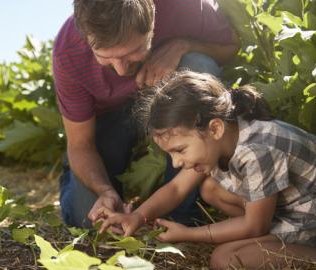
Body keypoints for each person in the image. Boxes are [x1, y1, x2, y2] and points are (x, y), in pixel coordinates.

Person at [98, 71, 316, 268]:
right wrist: (138, 216)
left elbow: (255, 227)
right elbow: (176, 189)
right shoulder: (226, 134)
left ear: (214, 128)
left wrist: (191, 234)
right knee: (210, 188)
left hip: (311, 220)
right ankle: (266, 238)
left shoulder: (256, 151)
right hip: (291, 211)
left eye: (180, 150)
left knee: (226, 259)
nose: (175, 163)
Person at [53, 0, 240, 228]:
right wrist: (104, 190)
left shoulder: (184, 6)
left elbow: (231, 46)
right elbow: (80, 144)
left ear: (152, 23)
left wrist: (183, 45)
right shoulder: (68, 52)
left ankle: (183, 212)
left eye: (132, 52)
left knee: (199, 64)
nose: (122, 70)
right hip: (109, 121)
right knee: (85, 217)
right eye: (106, 57)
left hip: (170, 101)